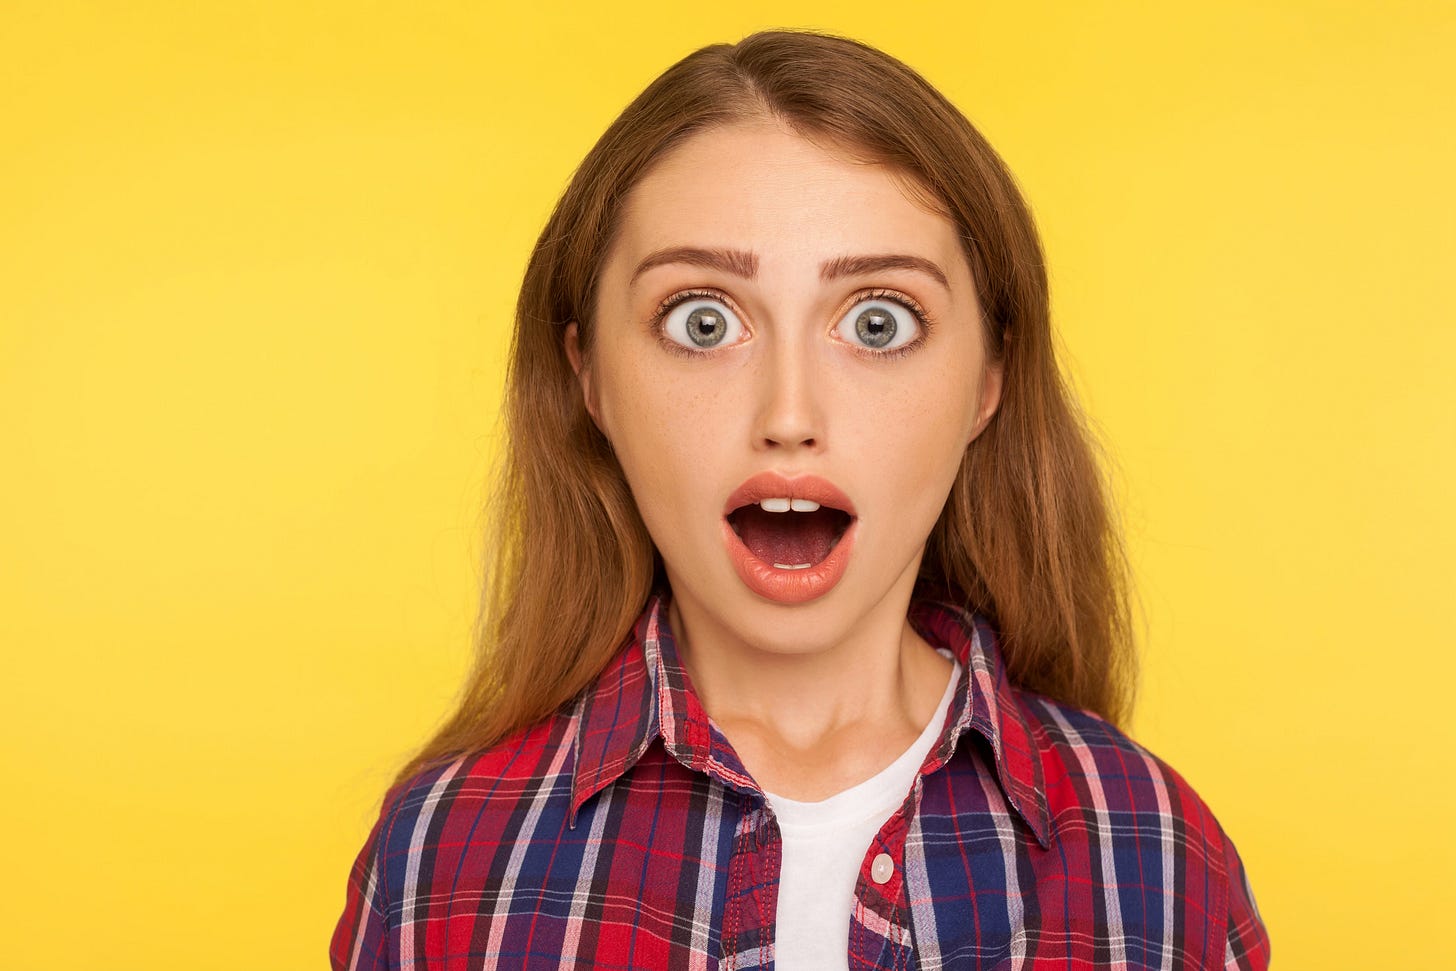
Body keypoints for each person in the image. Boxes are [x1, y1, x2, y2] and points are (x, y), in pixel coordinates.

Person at [330, 30, 1270, 970]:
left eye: (877, 321)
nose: (789, 415)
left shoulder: (1155, 855)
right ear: (589, 377)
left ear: (988, 381)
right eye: (703, 321)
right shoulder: (436, 861)